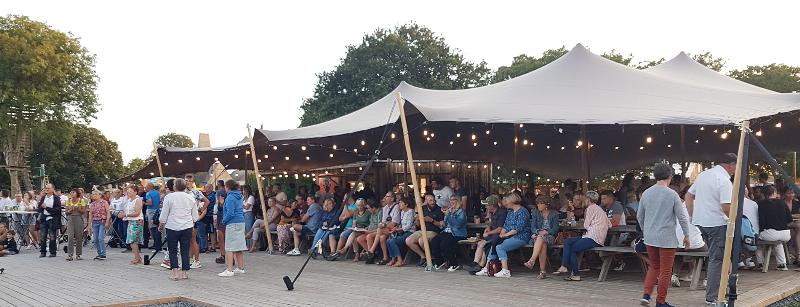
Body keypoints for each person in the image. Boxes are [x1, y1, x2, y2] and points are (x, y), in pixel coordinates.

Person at [685, 153, 737, 305]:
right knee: (717, 259)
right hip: (717, 223)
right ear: (730, 165)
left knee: (716, 257)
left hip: (702, 222)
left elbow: (688, 196)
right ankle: (712, 297)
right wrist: (735, 219)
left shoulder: (703, 175)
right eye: (735, 167)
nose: (735, 170)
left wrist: (693, 216)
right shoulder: (724, 180)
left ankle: (720, 290)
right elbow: (726, 206)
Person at [637, 163, 691, 307]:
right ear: (670, 176)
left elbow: (639, 216)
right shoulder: (672, 194)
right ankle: (660, 302)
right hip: (667, 237)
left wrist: (646, 229)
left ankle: (646, 295)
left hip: (650, 237)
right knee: (666, 270)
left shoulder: (646, 193)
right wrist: (686, 234)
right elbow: (682, 217)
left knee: (654, 267)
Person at [554, 191, 610, 281]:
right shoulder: (600, 209)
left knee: (571, 247)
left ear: (588, 200)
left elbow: (586, 225)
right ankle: (564, 266)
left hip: (593, 238)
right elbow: (609, 224)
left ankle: (574, 273)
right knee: (568, 242)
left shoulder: (590, 209)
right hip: (595, 236)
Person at [475, 193, 531, 278]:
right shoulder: (510, 211)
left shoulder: (523, 211)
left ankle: (505, 270)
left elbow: (518, 228)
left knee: (500, 247)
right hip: (509, 235)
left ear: (512, 201)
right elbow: (506, 225)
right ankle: (487, 268)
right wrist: (502, 233)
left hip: (521, 236)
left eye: (507, 201)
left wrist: (506, 234)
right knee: (494, 244)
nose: (505, 203)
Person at [159, 178, 200, 280]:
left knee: (173, 250)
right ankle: (185, 273)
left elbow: (164, 213)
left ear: (174, 186)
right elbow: (195, 215)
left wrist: (161, 224)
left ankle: (175, 273)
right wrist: (192, 221)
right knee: (185, 250)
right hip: (187, 226)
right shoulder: (190, 197)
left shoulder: (169, 197)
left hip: (172, 226)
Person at [465, 195, 507, 272]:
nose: (485, 206)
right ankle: (475, 263)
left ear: (492, 205)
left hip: (500, 236)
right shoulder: (492, 212)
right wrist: (488, 228)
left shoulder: (502, 212)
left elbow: (500, 229)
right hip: (493, 235)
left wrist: (488, 233)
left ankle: (480, 266)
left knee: (484, 244)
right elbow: (491, 224)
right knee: (480, 243)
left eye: (487, 205)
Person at [756, 185, 792, 271]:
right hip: (786, 234)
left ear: (763, 194)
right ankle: (782, 264)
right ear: (774, 193)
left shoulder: (761, 204)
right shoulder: (782, 202)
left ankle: (760, 263)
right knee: (777, 242)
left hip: (771, 234)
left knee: (756, 239)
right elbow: (789, 219)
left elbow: (762, 222)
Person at [524, 195, 560, 279]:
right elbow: (532, 227)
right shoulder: (536, 213)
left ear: (547, 204)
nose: (538, 205)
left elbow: (555, 229)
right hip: (538, 236)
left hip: (550, 236)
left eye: (541, 203)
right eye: (537, 203)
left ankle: (532, 261)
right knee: (542, 242)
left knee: (541, 239)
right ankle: (542, 271)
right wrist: (538, 232)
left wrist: (547, 232)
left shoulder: (554, 214)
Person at [430, 195, 468, 271]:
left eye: (453, 199)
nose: (451, 201)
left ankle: (454, 263)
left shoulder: (461, 212)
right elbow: (446, 224)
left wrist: (448, 215)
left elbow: (457, 225)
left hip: (458, 233)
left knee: (445, 244)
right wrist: (443, 223)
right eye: (450, 200)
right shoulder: (449, 210)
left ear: (458, 201)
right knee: (434, 241)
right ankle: (439, 261)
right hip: (447, 231)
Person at [406, 194, 444, 267]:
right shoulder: (422, 209)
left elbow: (441, 225)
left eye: (434, 200)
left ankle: (431, 258)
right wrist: (417, 219)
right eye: (430, 200)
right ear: (426, 201)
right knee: (408, 240)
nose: (433, 202)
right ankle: (423, 256)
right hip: (422, 230)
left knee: (422, 240)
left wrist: (431, 220)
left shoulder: (439, 209)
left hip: (433, 231)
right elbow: (417, 224)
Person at [219, 180, 246, 277]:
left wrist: (224, 221)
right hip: (241, 222)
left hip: (232, 223)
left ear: (228, 187)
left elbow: (230, 213)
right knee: (239, 246)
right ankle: (240, 267)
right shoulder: (239, 196)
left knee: (229, 247)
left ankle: (229, 270)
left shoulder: (230, 197)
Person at [386, 197, 416, 267]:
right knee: (388, 241)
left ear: (406, 204)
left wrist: (397, 230)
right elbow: (401, 224)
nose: (399, 204)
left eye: (401, 202)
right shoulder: (402, 212)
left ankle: (400, 260)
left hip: (410, 232)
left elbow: (408, 226)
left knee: (393, 241)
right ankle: (393, 259)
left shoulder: (411, 211)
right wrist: (396, 228)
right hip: (402, 232)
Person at [119, 185, 144, 264]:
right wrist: (123, 214)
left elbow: (137, 213)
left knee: (133, 240)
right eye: (128, 192)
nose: (128, 193)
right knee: (131, 240)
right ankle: (137, 257)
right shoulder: (129, 200)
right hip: (131, 221)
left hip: (137, 221)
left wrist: (125, 215)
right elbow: (127, 211)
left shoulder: (138, 200)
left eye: (130, 192)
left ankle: (137, 258)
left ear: (135, 192)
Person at [64, 189, 87, 261]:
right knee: (70, 237)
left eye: (73, 192)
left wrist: (78, 209)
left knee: (79, 237)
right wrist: (70, 210)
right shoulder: (68, 201)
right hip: (71, 219)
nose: (71, 193)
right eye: (71, 192)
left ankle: (78, 254)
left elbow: (83, 211)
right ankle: (70, 254)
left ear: (77, 193)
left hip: (79, 219)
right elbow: (66, 212)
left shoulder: (81, 201)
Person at [88, 190, 111, 260]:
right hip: (95, 222)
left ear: (100, 195)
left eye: (95, 194)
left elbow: (108, 213)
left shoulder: (104, 202)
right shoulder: (92, 204)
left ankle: (103, 254)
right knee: (95, 239)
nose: (93, 195)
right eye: (93, 194)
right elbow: (90, 215)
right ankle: (99, 253)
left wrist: (107, 221)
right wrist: (89, 225)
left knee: (100, 238)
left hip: (102, 221)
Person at [144, 183, 162, 252]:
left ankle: (156, 244)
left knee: (152, 228)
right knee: (157, 227)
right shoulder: (158, 193)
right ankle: (158, 244)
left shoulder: (148, 194)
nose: (145, 188)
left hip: (151, 211)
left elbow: (150, 203)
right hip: (157, 211)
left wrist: (143, 203)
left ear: (149, 187)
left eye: (146, 187)